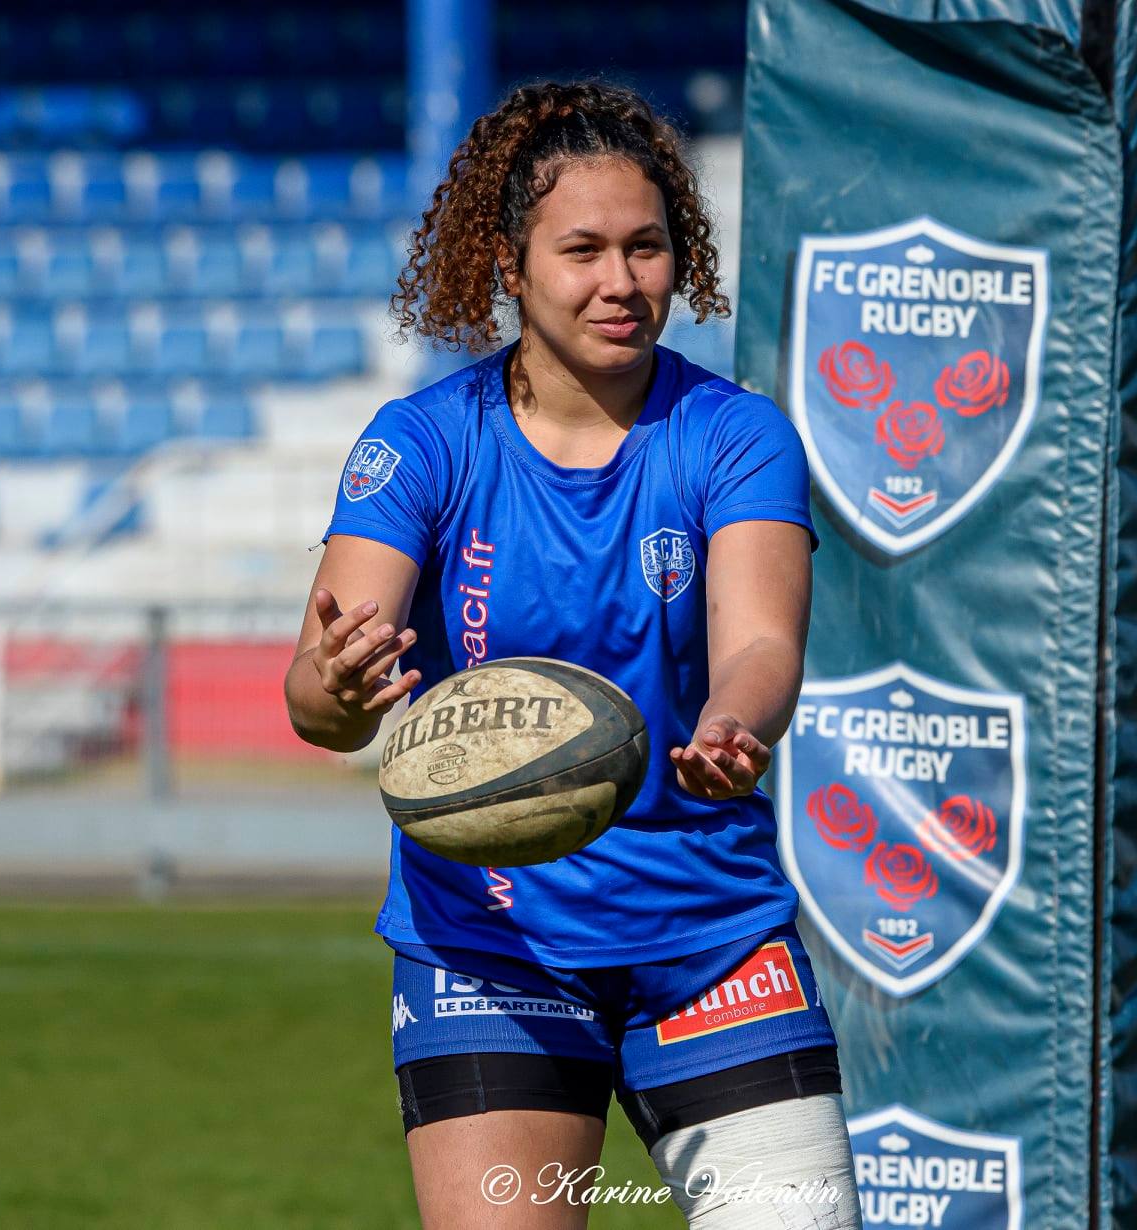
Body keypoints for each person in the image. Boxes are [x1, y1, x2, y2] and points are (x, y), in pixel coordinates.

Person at [285, 81, 860, 1229]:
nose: (621, 281)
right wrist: (341, 689)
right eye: (583, 249)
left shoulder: (734, 435)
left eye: (646, 247)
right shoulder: (424, 443)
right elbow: (318, 694)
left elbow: (759, 643)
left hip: (714, 937)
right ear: (509, 263)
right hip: (490, 950)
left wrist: (736, 722)